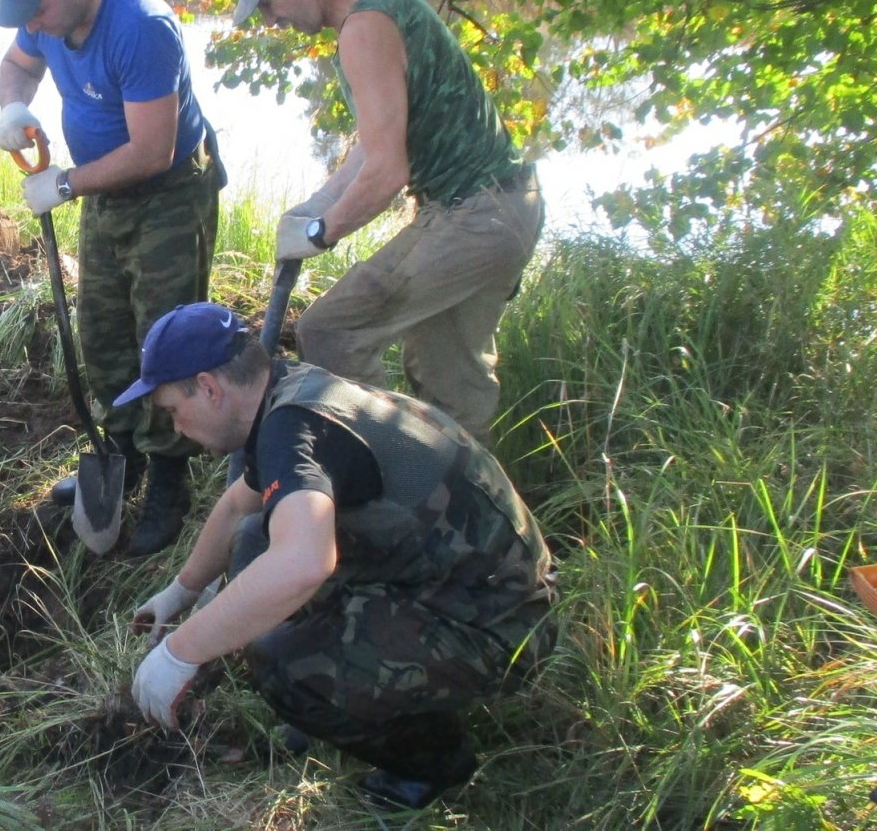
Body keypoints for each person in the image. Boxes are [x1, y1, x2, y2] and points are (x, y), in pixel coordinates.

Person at [119, 303, 556, 810]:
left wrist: (180, 653)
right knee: (256, 537)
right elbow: (240, 503)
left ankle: (432, 765)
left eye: (173, 409)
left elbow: (304, 565)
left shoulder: (294, 427)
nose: (175, 427)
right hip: (444, 575)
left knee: (280, 662)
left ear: (210, 388)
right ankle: (335, 698)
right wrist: (183, 591)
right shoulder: (287, 393)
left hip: (500, 622)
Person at [221, 0, 544, 441]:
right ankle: (470, 505)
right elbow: (375, 143)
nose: (272, 21)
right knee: (451, 379)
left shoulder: (365, 29)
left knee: (329, 331)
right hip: (509, 204)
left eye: (269, 4)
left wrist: (321, 233)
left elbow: (388, 170)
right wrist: (317, 203)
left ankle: (393, 469)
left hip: (475, 214)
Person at [0, 0, 222, 556]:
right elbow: (16, 67)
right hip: (103, 191)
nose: (31, 25)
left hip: (168, 193)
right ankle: (120, 450)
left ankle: (171, 473)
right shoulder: (46, 14)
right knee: (103, 330)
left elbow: (153, 150)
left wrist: (64, 185)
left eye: (37, 10)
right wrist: (13, 109)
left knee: (164, 338)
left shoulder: (142, 27)